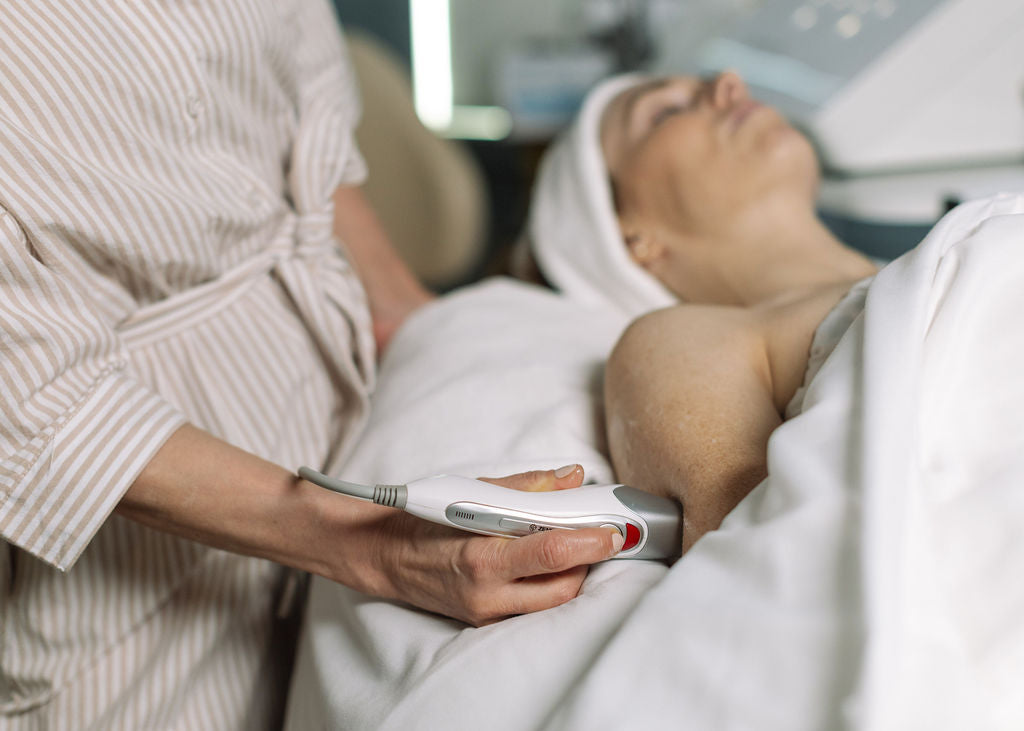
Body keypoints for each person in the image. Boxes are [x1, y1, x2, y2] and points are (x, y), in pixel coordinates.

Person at [0, 3, 620, 728]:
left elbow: (305, 122)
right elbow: (33, 397)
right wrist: (369, 546)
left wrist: (428, 328)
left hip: (346, 407)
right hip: (135, 557)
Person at [581, 72, 880, 553]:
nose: (729, 83)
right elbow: (766, 563)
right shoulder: (683, 342)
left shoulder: (952, 242)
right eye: (667, 112)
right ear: (630, 235)